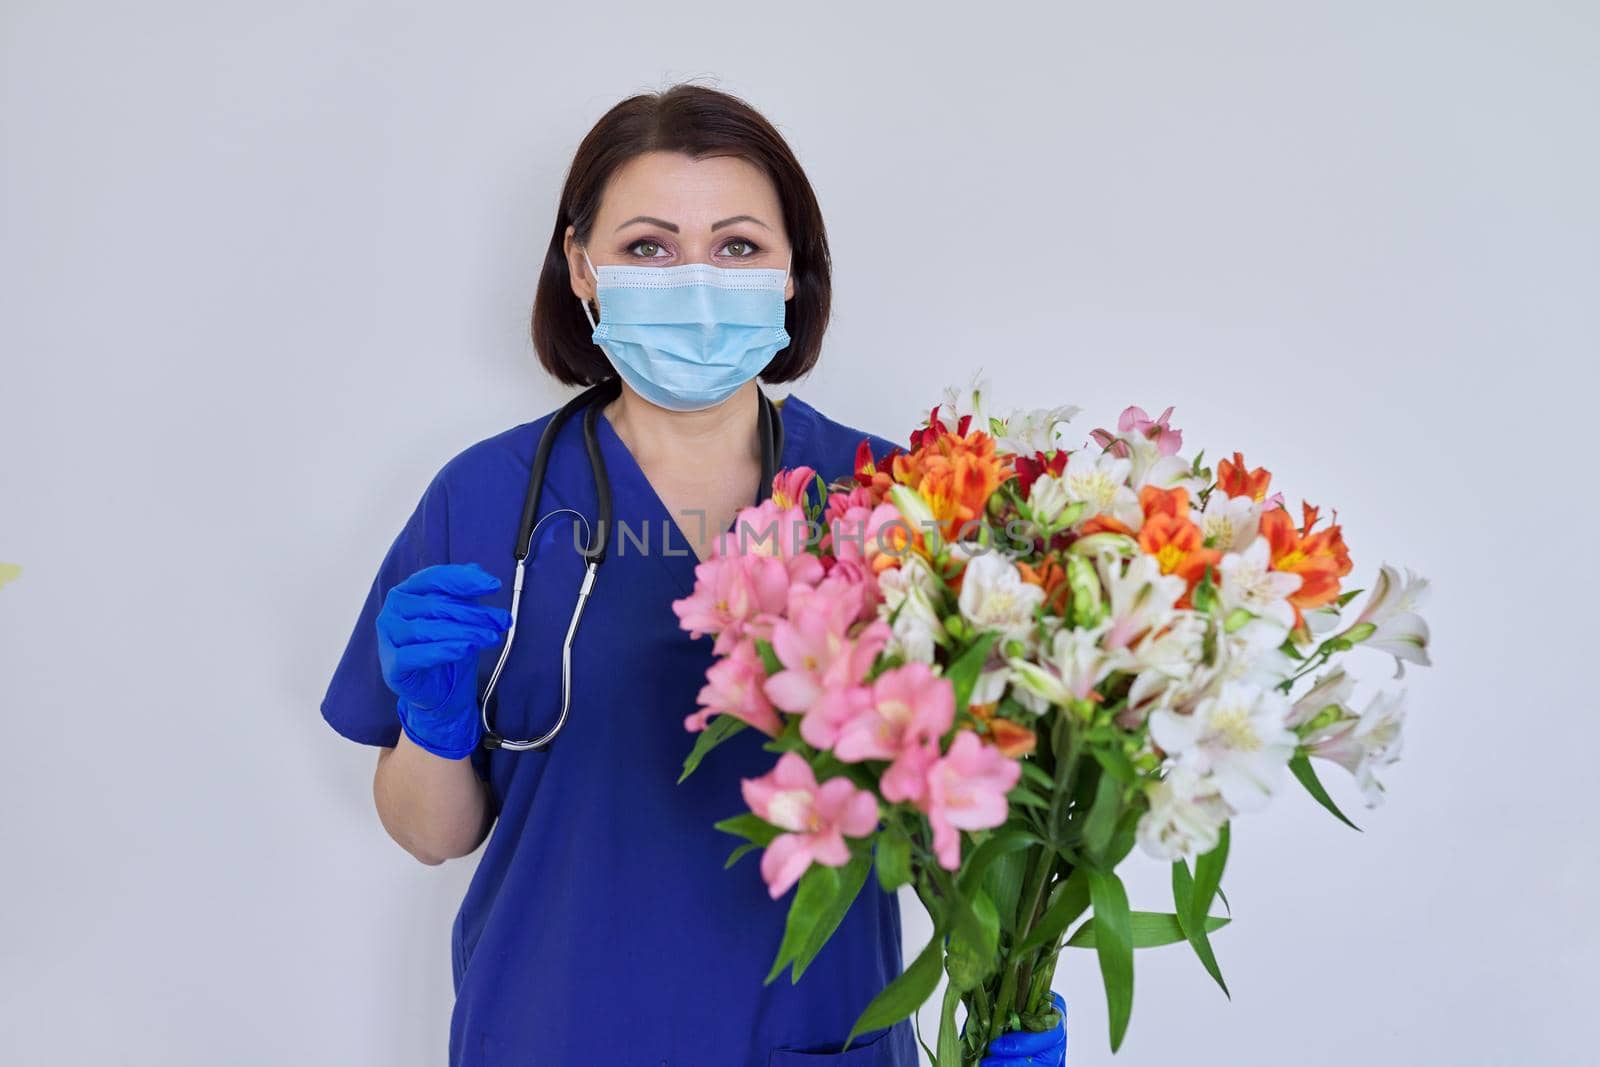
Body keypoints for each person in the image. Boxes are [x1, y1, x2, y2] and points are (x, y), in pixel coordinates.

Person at [319, 83, 919, 1066]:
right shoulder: (485, 497)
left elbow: (979, 800)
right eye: (648, 246)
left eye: (736, 246)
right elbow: (432, 835)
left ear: (793, 274)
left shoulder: (890, 498)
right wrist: (433, 724)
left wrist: (1005, 985)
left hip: (812, 1033)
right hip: (554, 1029)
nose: (694, 279)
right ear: (580, 268)